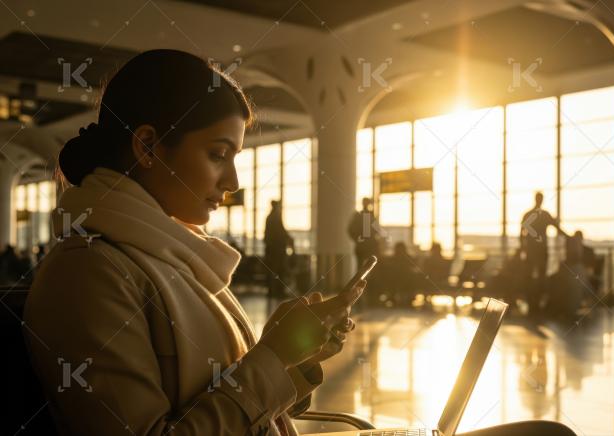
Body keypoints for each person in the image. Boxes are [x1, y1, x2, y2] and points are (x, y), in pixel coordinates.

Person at [23, 49, 363, 436]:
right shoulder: (87, 274)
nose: (232, 182)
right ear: (148, 146)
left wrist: (290, 360)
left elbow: (217, 398)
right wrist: (272, 357)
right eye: (218, 154)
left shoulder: (171, 256)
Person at [520, 191, 566, 313]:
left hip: (531, 251)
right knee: (540, 278)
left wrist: (523, 248)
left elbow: (521, 233)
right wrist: (570, 237)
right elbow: (558, 228)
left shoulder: (528, 214)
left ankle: (531, 304)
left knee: (529, 278)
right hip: (541, 250)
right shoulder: (544, 215)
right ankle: (537, 304)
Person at [264, 200, 294, 298]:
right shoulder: (275, 218)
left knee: (274, 270)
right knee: (280, 270)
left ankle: (273, 291)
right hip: (277, 249)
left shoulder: (269, 217)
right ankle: (278, 291)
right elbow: (282, 232)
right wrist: (290, 240)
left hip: (272, 249)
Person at [347, 197, 381, 267]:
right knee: (369, 266)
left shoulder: (359, 216)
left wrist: (357, 239)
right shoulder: (368, 216)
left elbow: (350, 230)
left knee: (361, 267)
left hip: (363, 246)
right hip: (367, 246)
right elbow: (377, 230)